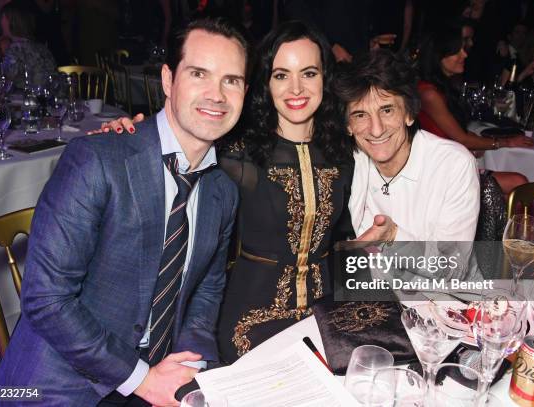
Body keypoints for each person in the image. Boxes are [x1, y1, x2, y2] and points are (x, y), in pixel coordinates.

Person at [0, 17, 247, 406]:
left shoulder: (222, 193)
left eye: (231, 80)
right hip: (60, 382)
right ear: (167, 80)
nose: (217, 94)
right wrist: (141, 379)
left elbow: (207, 289)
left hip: (158, 375)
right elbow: (47, 299)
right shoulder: (97, 159)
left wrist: (190, 361)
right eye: (199, 73)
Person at [95, 21, 358, 365]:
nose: (296, 87)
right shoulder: (234, 153)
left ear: (325, 77)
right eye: (281, 75)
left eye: (308, 73)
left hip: (325, 317)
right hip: (251, 321)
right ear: (264, 82)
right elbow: (174, 143)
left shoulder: (344, 153)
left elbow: (346, 241)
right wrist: (128, 134)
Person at [334, 49, 481, 241]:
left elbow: (452, 267)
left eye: (387, 110)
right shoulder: (350, 162)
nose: (376, 130)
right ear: (348, 126)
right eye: (361, 115)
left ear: (409, 114)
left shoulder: (453, 165)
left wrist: (393, 237)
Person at [418, 25, 532, 195]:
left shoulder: (442, 87)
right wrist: (505, 143)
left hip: (451, 164)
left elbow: (457, 133)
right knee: (518, 183)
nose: (464, 55)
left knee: (515, 184)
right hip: (439, 174)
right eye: (457, 51)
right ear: (439, 56)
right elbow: (462, 139)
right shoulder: (428, 93)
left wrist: (479, 142)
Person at [0, 1, 56, 89]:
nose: (1, 21)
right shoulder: (42, 48)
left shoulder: (15, 49)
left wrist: (3, 53)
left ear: (12, 21)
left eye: (3, 17)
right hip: (48, 99)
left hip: (25, 100)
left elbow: (6, 85)